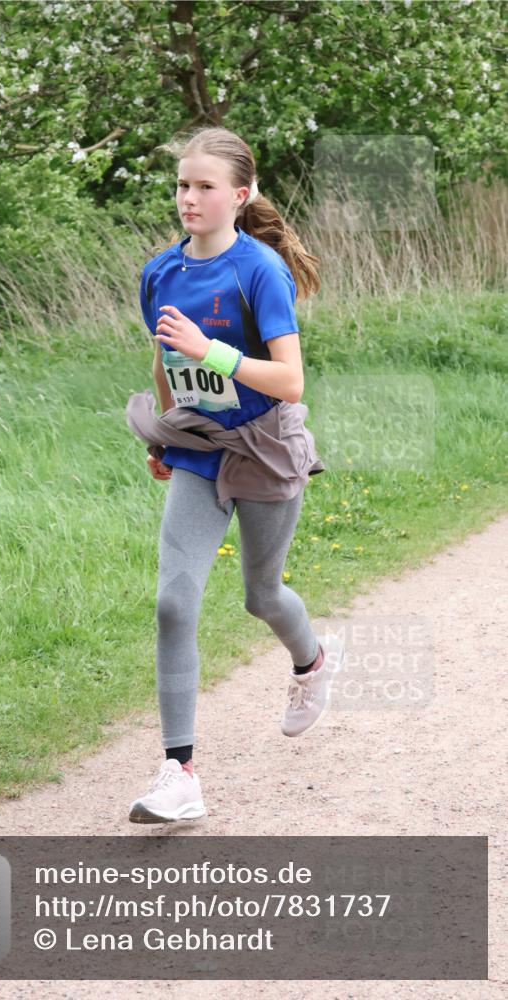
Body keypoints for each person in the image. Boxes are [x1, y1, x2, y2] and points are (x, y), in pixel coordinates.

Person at [128, 126, 345, 825]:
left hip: (265, 445)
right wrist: (166, 433)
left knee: (261, 595)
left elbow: (288, 379)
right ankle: (178, 771)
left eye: (203, 187)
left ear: (238, 195)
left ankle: (311, 661)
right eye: (182, 185)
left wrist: (212, 352)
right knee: (172, 602)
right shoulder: (160, 270)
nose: (187, 198)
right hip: (199, 449)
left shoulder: (258, 269)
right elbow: (164, 359)